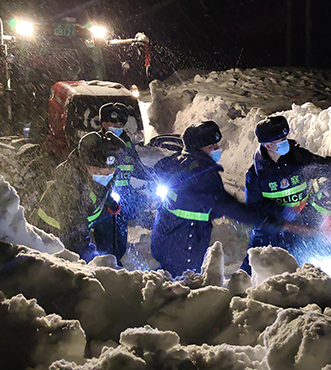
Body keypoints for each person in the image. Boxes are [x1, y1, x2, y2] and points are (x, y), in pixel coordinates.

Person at [150, 120, 282, 277]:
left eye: (216, 145)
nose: (217, 149)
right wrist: (264, 219)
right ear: (198, 148)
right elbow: (226, 205)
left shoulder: (177, 161)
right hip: (185, 242)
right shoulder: (201, 172)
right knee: (181, 284)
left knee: (167, 277)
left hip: (167, 235)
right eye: (211, 147)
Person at [31, 102, 150, 262]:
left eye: (109, 171)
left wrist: (109, 201)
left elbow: (105, 185)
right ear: (85, 165)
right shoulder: (71, 191)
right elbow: (76, 242)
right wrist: (97, 264)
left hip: (72, 234)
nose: (106, 175)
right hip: (49, 240)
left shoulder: (102, 167)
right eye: (100, 171)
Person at [241, 115, 331, 273]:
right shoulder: (256, 175)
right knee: (257, 269)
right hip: (271, 231)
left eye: (285, 137)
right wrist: (280, 212)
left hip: (301, 225)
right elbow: (254, 209)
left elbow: (322, 166)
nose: (286, 143)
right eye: (281, 140)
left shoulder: (298, 157)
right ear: (268, 145)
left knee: (305, 268)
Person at [77, 102, 152, 260]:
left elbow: (136, 165)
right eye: (113, 124)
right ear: (103, 124)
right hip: (102, 197)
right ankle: (105, 263)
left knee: (120, 235)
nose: (118, 127)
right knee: (104, 234)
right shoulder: (96, 145)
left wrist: (152, 177)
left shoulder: (125, 142)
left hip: (122, 198)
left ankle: (116, 261)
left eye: (120, 124)